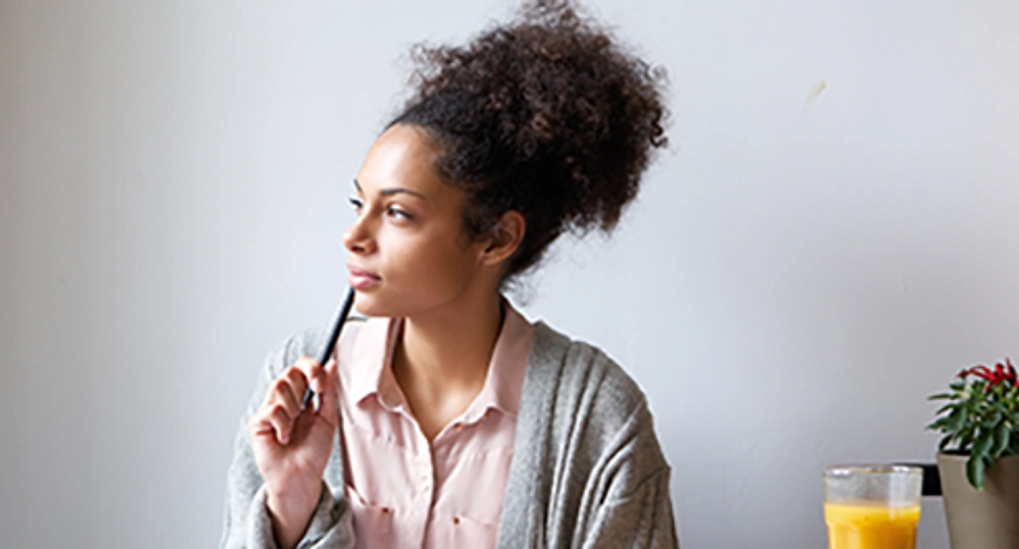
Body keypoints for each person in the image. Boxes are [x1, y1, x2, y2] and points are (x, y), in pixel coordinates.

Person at [219, 1, 676, 547]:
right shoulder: (298, 383)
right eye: (358, 203)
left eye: (397, 213)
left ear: (496, 238)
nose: (354, 236)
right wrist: (292, 504)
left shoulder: (596, 416)